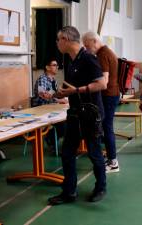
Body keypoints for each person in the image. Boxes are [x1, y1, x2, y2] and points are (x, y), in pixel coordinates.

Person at [48, 26, 107, 205]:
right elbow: (72, 90)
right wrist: (63, 93)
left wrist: (76, 90)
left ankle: (101, 187)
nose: (57, 43)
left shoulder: (88, 58)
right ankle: (69, 191)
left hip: (90, 114)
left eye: (59, 40)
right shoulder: (71, 61)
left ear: (66, 39)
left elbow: (102, 84)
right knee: (67, 153)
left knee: (94, 153)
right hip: (75, 114)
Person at [82, 31, 120, 173]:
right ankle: (111, 158)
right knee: (106, 127)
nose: (86, 49)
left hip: (108, 95)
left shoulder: (103, 55)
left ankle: (113, 162)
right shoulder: (107, 52)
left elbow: (104, 81)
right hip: (112, 94)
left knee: (107, 127)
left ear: (94, 41)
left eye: (87, 45)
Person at [32, 58, 67, 153]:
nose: (57, 67)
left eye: (57, 65)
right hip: (41, 109)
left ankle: (52, 140)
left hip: (51, 107)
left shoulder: (53, 80)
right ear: (47, 67)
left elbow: (53, 94)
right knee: (62, 124)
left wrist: (62, 95)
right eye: (54, 65)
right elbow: (43, 95)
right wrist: (59, 100)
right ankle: (51, 141)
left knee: (67, 121)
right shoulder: (42, 79)